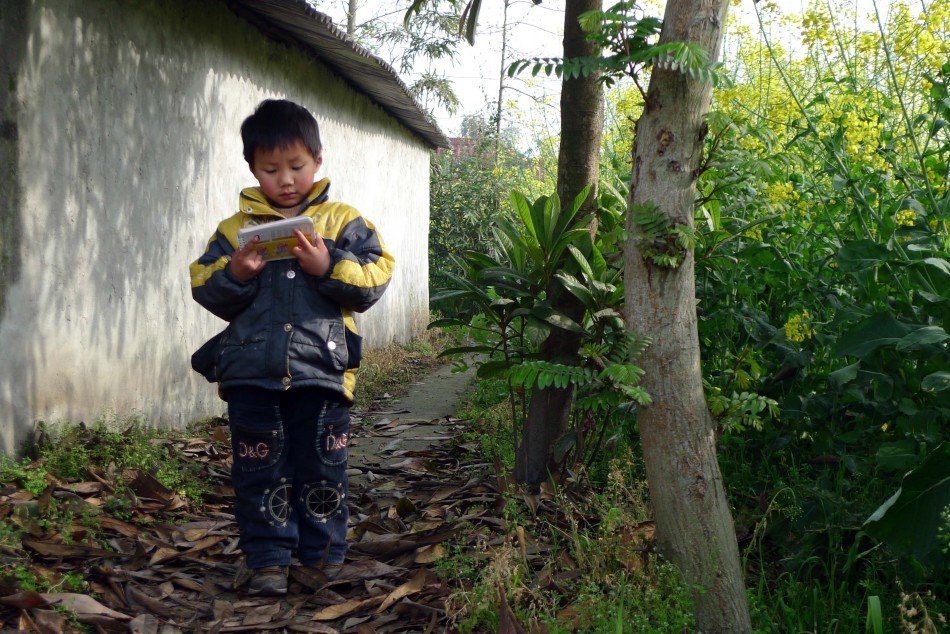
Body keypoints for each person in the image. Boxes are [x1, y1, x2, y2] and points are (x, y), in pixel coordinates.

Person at [189, 99, 394, 596]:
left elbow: (376, 276)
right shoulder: (235, 233)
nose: (285, 179)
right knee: (258, 469)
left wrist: (329, 267)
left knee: (322, 467)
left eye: (296, 167)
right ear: (253, 169)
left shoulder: (343, 222)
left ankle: (321, 559)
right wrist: (236, 273)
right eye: (270, 169)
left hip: (322, 371)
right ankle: (268, 561)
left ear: (318, 161)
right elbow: (202, 284)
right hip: (251, 375)